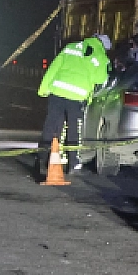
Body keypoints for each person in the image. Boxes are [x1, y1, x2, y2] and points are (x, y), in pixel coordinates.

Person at [36, 33, 111, 174]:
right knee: (74, 130)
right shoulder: (101, 57)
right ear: (104, 46)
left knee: (52, 125)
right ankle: (73, 163)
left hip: (57, 92)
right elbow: (101, 80)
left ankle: (43, 157)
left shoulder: (70, 47)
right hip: (76, 97)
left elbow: (54, 68)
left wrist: (44, 88)